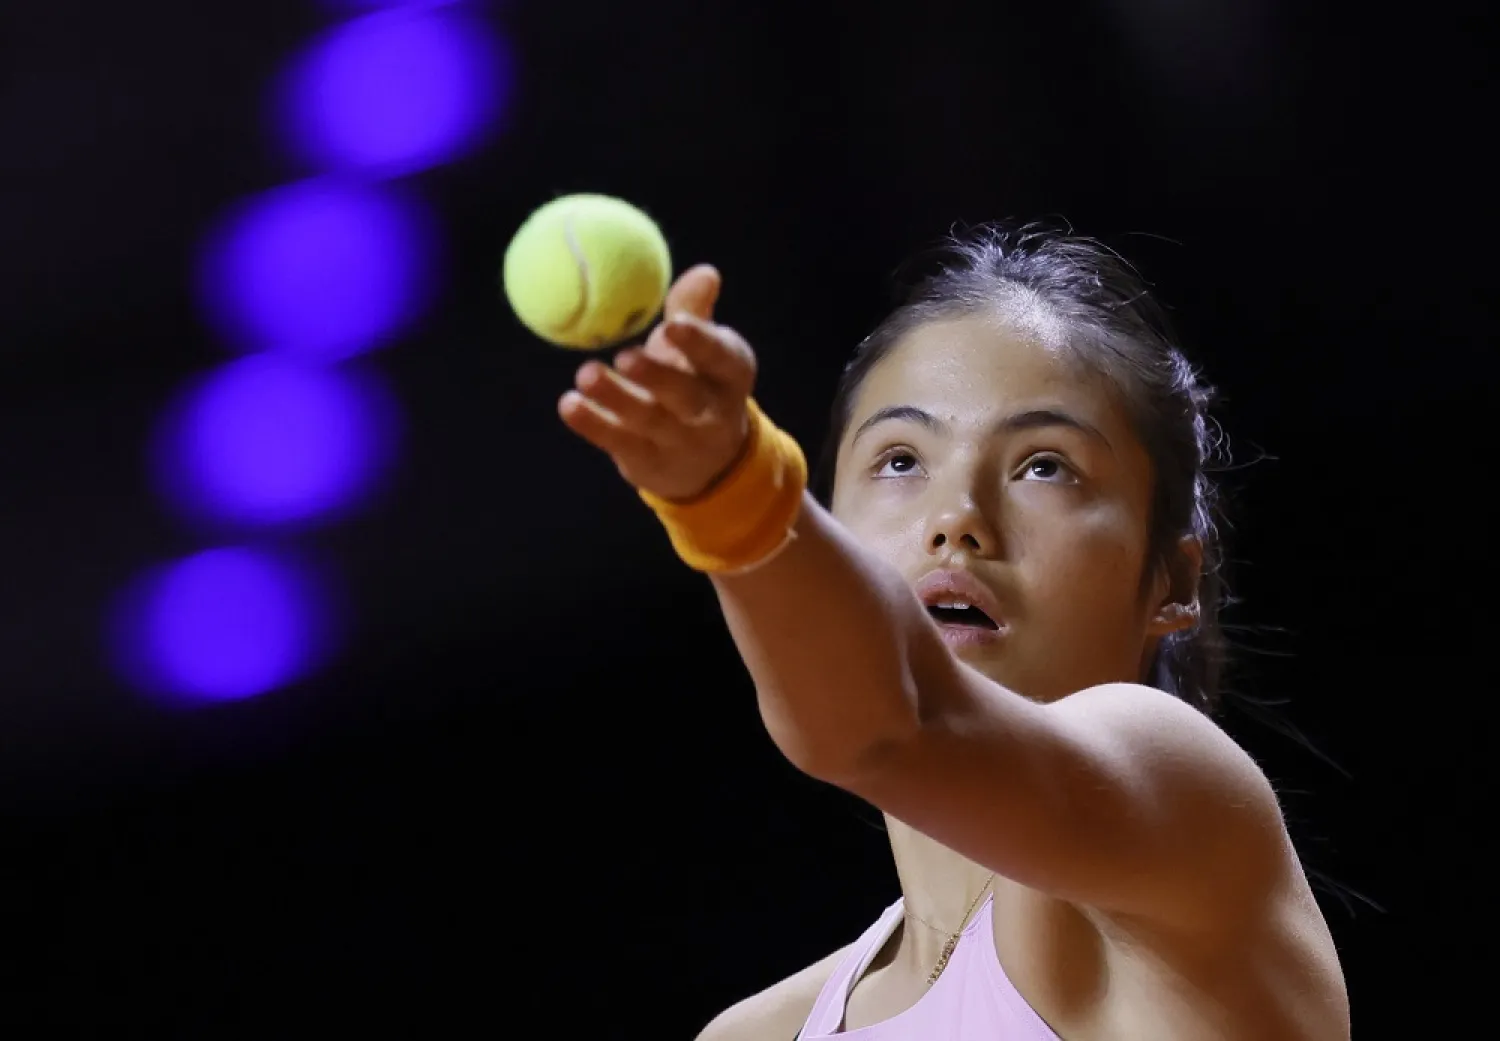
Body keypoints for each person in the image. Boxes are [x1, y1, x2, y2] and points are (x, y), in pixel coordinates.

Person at [557, 224, 1350, 1040]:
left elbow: (889, 725)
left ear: (1173, 580)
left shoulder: (1189, 816)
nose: (957, 519)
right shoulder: (754, 1033)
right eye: (900, 459)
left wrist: (730, 494)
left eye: (1045, 465)